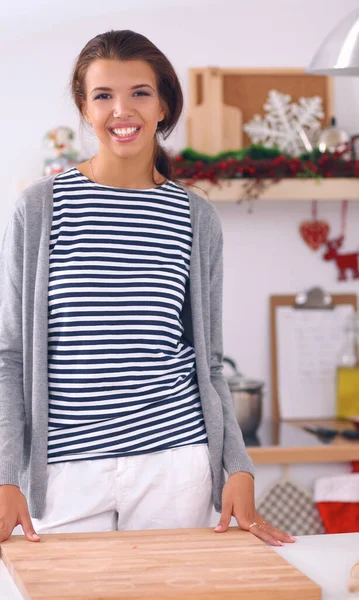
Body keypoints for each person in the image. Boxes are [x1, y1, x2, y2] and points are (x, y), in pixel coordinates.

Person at [0, 29, 295, 547]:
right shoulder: (40, 209)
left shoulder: (194, 216)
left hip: (175, 464)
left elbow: (208, 361)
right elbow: (10, 357)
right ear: (83, 107)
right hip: (66, 474)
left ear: (162, 105)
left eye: (139, 93)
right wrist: (4, 474)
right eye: (103, 95)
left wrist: (239, 468)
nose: (122, 110)